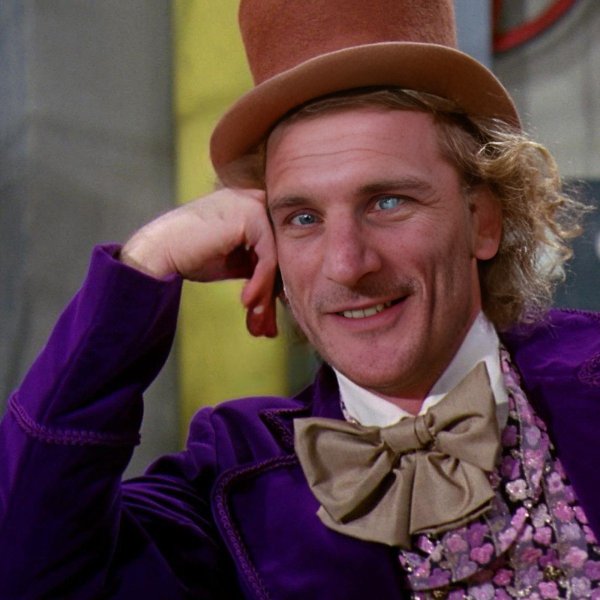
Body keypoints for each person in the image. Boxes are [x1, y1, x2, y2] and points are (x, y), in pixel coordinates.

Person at [1, 0, 598, 598]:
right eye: (303, 218)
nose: (347, 264)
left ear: (482, 220)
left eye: (388, 202)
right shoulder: (231, 481)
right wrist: (145, 265)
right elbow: (27, 572)